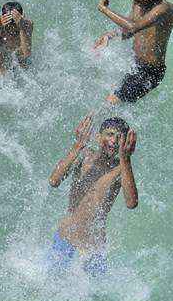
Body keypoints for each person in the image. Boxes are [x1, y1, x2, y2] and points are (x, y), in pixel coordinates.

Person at [47, 115, 138, 276]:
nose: (114, 141)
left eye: (119, 138)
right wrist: (79, 144)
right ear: (98, 136)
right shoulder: (84, 156)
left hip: (93, 249)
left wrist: (126, 159)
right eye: (110, 134)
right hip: (66, 239)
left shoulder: (120, 169)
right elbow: (54, 180)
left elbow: (131, 203)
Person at [94, 0, 173, 104]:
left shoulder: (164, 9)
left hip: (150, 72)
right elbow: (128, 31)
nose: (135, 1)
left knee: (109, 102)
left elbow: (133, 26)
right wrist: (111, 35)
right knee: (99, 85)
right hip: (134, 63)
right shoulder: (139, 2)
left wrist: (104, 9)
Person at [0, 1, 33, 68]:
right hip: (4, 55)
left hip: (21, 58)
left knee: (24, 64)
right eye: (9, 26)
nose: (12, 30)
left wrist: (21, 27)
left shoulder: (27, 24)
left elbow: (26, 54)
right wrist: (0, 27)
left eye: (15, 26)